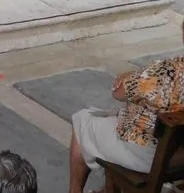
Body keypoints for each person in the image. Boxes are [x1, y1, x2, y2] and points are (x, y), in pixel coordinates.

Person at [69, 40, 184, 192]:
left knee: (82, 120)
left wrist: (131, 75)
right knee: (113, 117)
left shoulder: (168, 71)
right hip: (178, 154)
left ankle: (74, 190)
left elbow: (118, 93)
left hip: (152, 157)